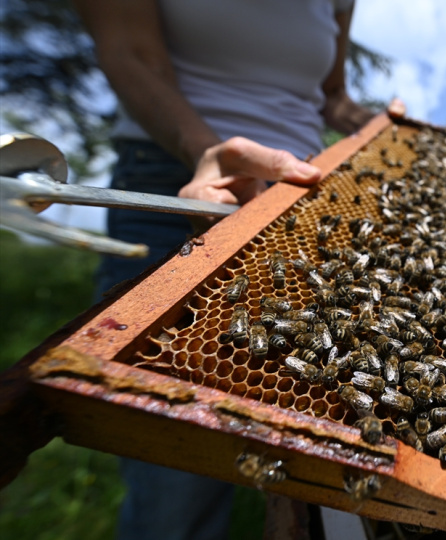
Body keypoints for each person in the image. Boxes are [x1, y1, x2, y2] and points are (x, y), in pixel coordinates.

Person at [73, 1, 385, 538]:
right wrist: (205, 149)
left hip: (309, 202)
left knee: (323, 445)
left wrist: (381, 127)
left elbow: (332, 95)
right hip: (185, 176)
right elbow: (129, 51)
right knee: (176, 474)